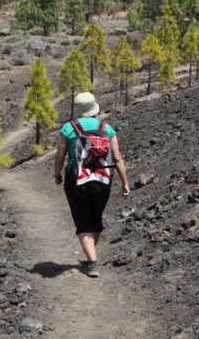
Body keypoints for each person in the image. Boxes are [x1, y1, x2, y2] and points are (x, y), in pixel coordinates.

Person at [53, 92, 130, 278]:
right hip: (103, 178)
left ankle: (92, 263)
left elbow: (60, 157)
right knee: (96, 218)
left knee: (83, 220)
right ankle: (90, 256)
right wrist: (125, 182)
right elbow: (117, 158)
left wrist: (57, 175)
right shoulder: (107, 127)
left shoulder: (69, 128)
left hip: (77, 178)